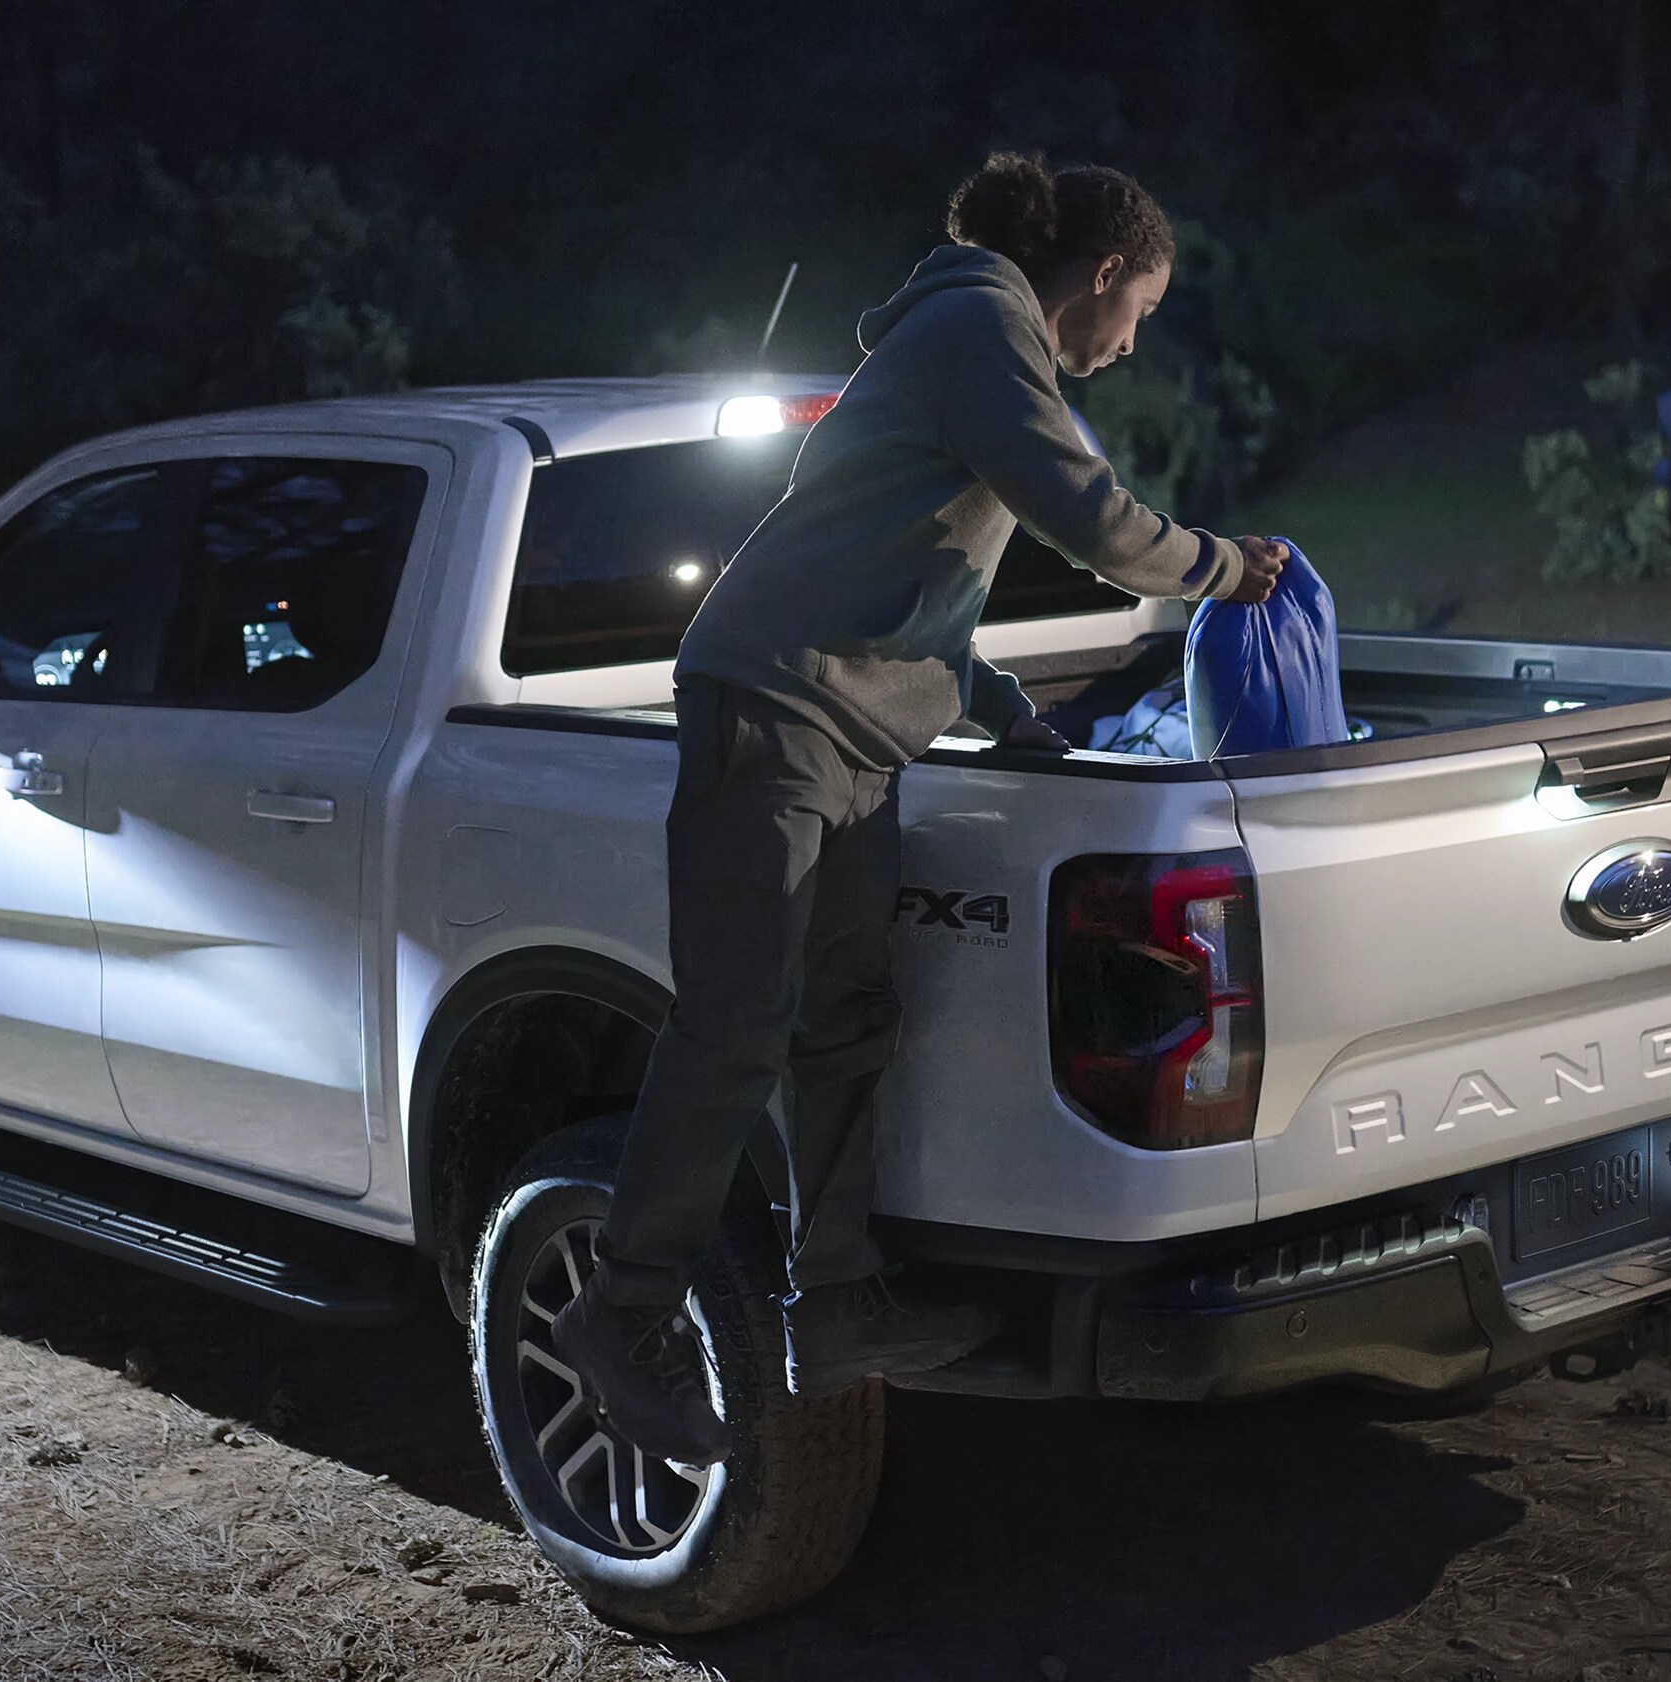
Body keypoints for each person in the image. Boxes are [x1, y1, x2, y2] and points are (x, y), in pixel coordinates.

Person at [550, 153, 1291, 1461]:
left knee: (848, 1017)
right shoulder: (980, 325)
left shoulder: (971, 341)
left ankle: (833, 1303)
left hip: (856, 728)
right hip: (771, 709)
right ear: (1105, 273)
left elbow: (907, 579)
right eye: (1147, 311)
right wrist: (1228, 569)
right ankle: (623, 1317)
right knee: (735, 1027)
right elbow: (1094, 521)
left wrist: (1008, 713)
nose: (1133, 342)